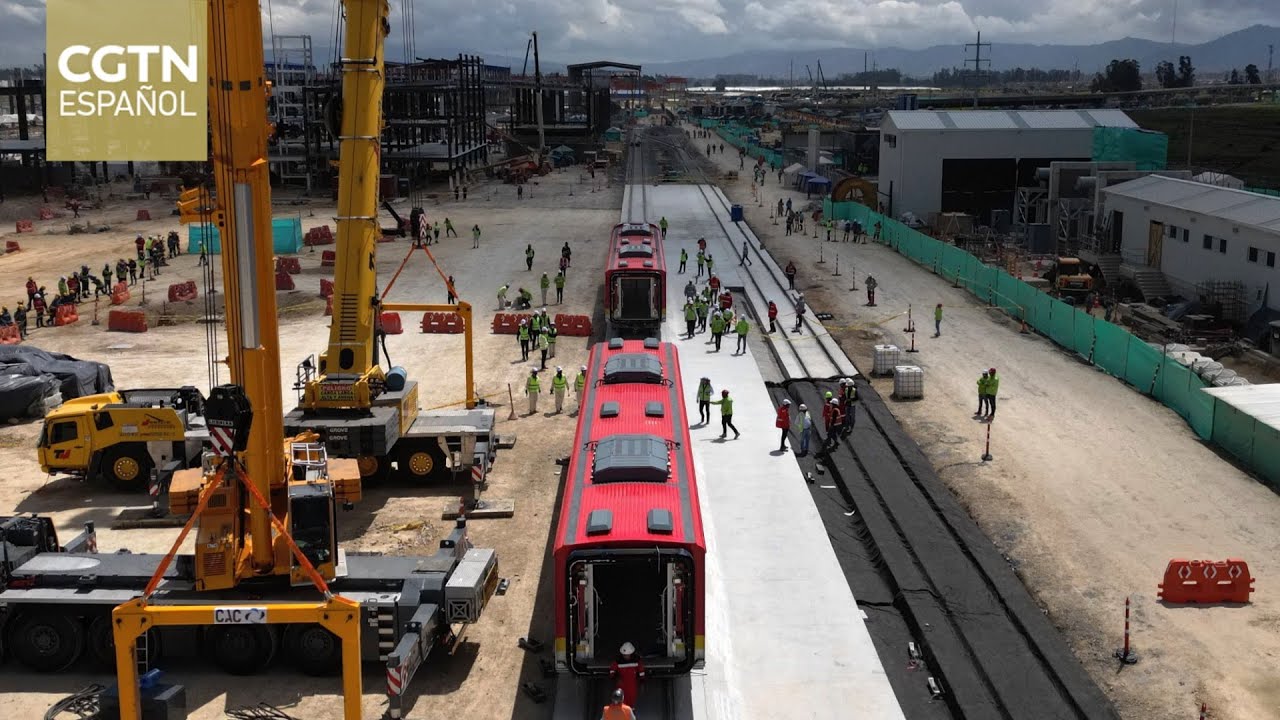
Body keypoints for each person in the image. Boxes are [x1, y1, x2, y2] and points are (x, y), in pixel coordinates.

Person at [609, 642, 645, 709]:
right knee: (621, 700)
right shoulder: (618, 661)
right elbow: (612, 670)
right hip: (621, 684)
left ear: (631, 654)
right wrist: (615, 677)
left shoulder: (636, 661)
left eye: (627, 655)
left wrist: (642, 681)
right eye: (624, 655)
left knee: (631, 699)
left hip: (632, 684)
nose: (625, 656)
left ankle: (630, 711)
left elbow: (641, 671)